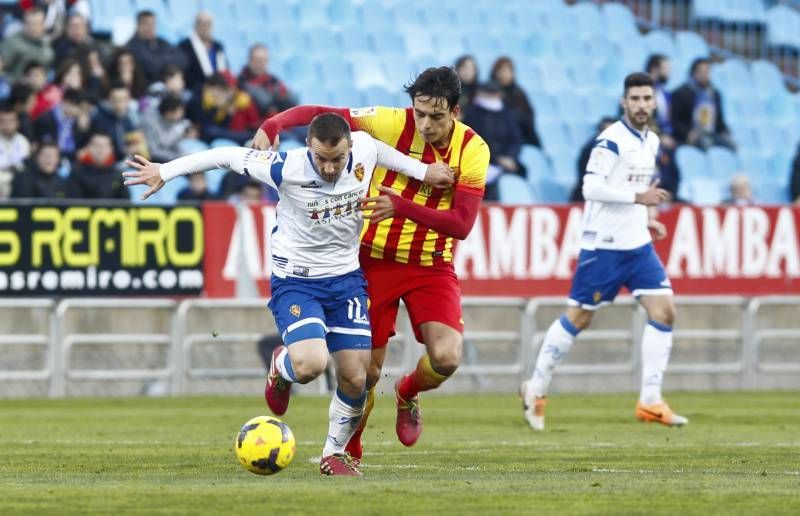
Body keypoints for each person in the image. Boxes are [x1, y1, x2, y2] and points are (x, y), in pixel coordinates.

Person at [123, 113, 455, 475]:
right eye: (321, 159)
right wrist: (164, 171)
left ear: (348, 150)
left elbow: (385, 153)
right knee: (310, 365)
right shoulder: (286, 167)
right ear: (309, 148)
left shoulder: (363, 149)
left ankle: (334, 453)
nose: (329, 168)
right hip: (297, 281)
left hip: (346, 279)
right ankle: (281, 369)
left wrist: (425, 173)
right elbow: (226, 156)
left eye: (337, 159)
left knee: (357, 378)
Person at [251, 66, 490, 463]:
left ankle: (408, 392)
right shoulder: (390, 122)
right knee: (367, 371)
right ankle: (349, 451)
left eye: (436, 116)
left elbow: (462, 225)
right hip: (372, 260)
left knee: (446, 358)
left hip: (431, 265)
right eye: (420, 114)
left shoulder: (473, 150)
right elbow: (323, 112)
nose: (426, 124)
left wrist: (400, 206)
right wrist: (273, 123)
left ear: (456, 112)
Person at [520, 72, 688, 431]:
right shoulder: (610, 141)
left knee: (665, 311)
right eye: (635, 99)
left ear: (654, 102)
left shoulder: (652, 142)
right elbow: (590, 187)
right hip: (604, 247)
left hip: (637, 246)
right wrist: (638, 199)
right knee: (579, 318)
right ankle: (536, 386)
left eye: (647, 98)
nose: (642, 105)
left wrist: (644, 217)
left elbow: (634, 188)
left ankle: (650, 400)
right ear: (624, 102)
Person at [671, 58, 734, 150]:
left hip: (711, 134)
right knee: (704, 144)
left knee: (729, 145)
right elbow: (674, 121)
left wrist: (726, 133)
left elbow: (719, 121)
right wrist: (688, 133)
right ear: (694, 73)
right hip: (690, 135)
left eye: (708, 71)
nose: (706, 74)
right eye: (703, 71)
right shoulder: (681, 93)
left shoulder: (715, 94)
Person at [490, 56, 540, 147]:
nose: (504, 74)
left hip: (522, 139)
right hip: (496, 141)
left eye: (508, 70)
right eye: (501, 70)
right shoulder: (488, 92)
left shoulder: (519, 94)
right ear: (495, 72)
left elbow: (528, 120)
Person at [178, 12, 229, 89]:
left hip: (220, 89)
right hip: (197, 90)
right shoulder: (185, 46)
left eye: (208, 24)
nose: (205, 28)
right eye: (202, 24)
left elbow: (225, 68)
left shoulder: (218, 46)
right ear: (195, 26)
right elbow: (186, 73)